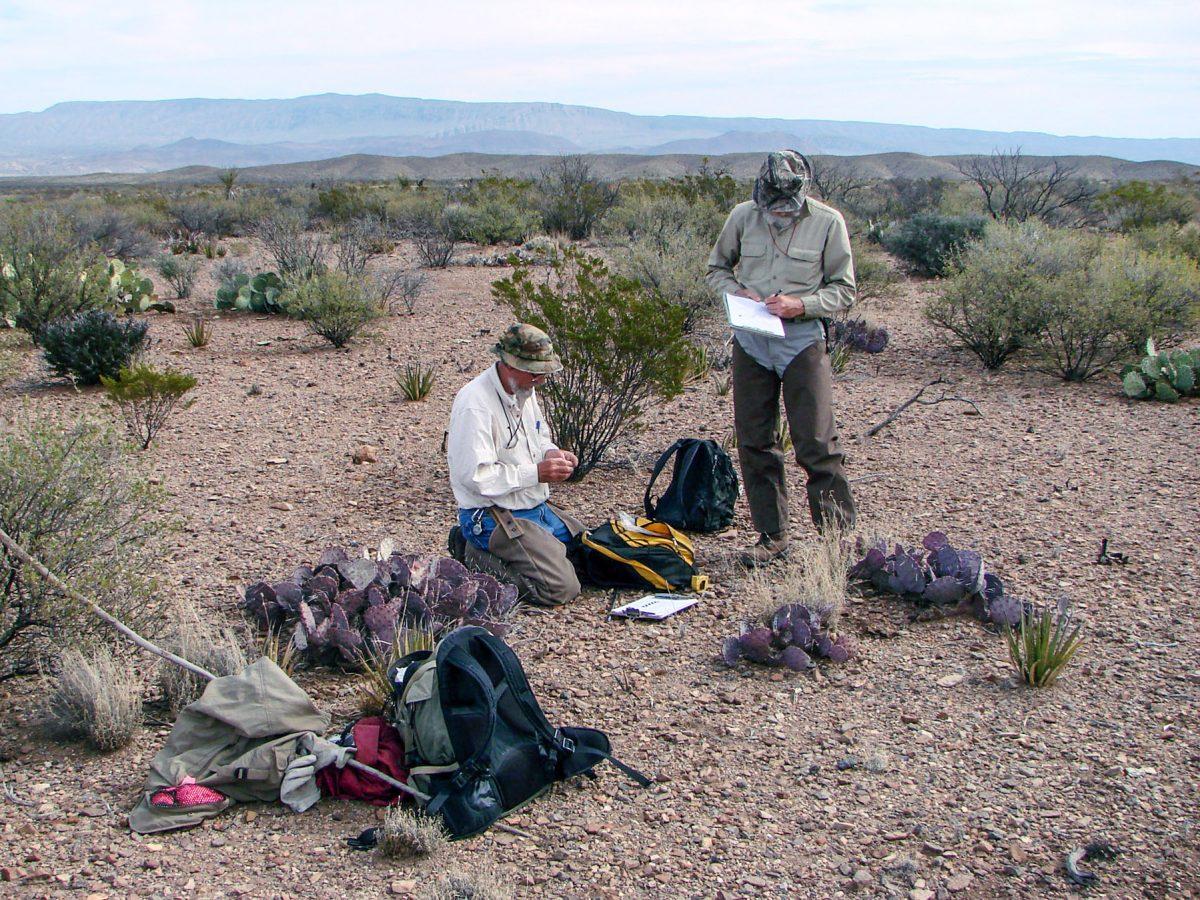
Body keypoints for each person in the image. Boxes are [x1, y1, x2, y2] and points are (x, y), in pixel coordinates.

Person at [706, 150, 858, 567]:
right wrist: (736, 292)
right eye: (772, 203)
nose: (779, 212)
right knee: (755, 440)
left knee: (816, 442)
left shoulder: (828, 222)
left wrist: (802, 304)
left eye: (787, 205)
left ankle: (836, 544)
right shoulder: (742, 217)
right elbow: (716, 268)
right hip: (753, 340)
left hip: (802, 340)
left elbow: (844, 290)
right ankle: (772, 535)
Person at [445, 323, 585, 605]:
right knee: (561, 588)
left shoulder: (524, 390)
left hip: (533, 506)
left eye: (543, 372)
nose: (541, 379)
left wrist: (552, 454)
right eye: (535, 372)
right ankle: (474, 556)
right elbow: (477, 477)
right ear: (510, 364)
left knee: (588, 556)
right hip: (490, 515)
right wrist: (536, 473)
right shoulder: (475, 404)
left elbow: (539, 434)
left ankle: (529, 551)